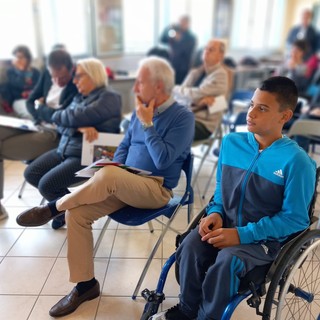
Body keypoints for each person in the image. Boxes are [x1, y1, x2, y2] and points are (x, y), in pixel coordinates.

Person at [16, 56, 195, 317]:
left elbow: (164, 159)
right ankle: (86, 285)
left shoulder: (182, 117)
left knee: (108, 176)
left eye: (140, 82)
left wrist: (147, 124)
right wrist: (118, 164)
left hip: (155, 189)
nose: (135, 88)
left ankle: (52, 207)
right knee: (76, 213)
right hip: (125, 182)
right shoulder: (139, 110)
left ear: (158, 86)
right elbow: (123, 146)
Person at [150, 76, 316, 320]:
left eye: (262, 108)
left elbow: (295, 220)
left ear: (284, 116)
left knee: (229, 260)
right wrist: (216, 212)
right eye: (251, 105)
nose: (251, 113)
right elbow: (221, 190)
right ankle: (187, 311)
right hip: (226, 224)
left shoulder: (298, 162)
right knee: (190, 244)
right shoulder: (231, 143)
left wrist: (240, 235)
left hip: (264, 241)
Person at [23, 57, 122, 229]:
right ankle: (64, 212)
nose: (74, 81)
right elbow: (62, 124)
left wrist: (71, 122)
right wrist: (79, 128)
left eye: (79, 76)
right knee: (31, 173)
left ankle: (71, 212)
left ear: (93, 76)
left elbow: (67, 117)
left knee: (47, 185)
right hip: (66, 149)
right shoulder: (79, 96)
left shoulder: (110, 97)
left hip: (90, 155)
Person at [0, 49, 77, 220]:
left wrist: (41, 108)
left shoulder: (76, 84)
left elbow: (63, 117)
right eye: (54, 77)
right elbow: (30, 101)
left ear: (71, 70)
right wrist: (37, 117)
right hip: (37, 124)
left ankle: (67, 208)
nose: (58, 81)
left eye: (62, 78)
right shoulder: (46, 75)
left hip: (55, 133)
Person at [173, 39, 228, 141]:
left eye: (211, 50)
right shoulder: (195, 72)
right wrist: (194, 101)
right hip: (183, 116)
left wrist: (175, 89)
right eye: (205, 49)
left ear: (221, 56)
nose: (206, 51)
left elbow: (195, 95)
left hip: (201, 123)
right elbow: (178, 97)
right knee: (155, 122)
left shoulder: (220, 75)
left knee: (169, 131)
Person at [0, 45, 40, 117]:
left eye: (21, 57)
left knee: (45, 113)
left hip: (35, 99)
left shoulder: (35, 72)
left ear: (28, 59)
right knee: (30, 115)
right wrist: (21, 71)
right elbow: (19, 84)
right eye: (16, 57)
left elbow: (39, 88)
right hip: (19, 100)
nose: (18, 59)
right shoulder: (11, 72)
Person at [160, 15, 196, 84]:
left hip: (183, 69)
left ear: (188, 24)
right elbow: (162, 40)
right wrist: (168, 28)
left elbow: (183, 52)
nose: (180, 24)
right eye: (179, 22)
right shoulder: (174, 33)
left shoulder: (191, 38)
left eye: (183, 22)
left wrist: (178, 40)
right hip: (171, 65)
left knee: (180, 89)